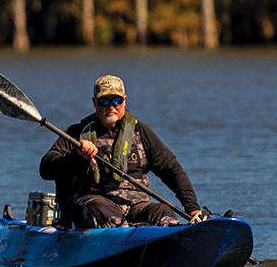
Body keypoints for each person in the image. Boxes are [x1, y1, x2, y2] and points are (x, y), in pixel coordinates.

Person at [39, 74, 202, 228]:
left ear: (124, 101)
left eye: (116, 101)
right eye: (104, 101)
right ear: (94, 103)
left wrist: (193, 209)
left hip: (137, 205)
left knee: (163, 212)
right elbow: (45, 168)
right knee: (105, 213)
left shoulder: (142, 133)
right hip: (94, 203)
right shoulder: (76, 134)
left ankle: (168, 245)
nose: (111, 107)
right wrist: (76, 155)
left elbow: (171, 170)